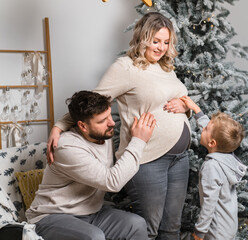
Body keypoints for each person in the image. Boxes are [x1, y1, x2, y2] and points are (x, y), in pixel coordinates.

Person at [46, 12, 191, 239]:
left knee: (172, 228)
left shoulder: (167, 68)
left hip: (179, 157)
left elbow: (178, 99)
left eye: (166, 42)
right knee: (150, 229)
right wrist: (59, 126)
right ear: (143, 38)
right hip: (148, 159)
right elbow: (92, 103)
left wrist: (186, 108)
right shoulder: (126, 67)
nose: (161, 48)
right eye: (155, 41)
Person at [26, 91, 156, 240]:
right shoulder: (66, 147)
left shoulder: (102, 134)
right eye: (102, 121)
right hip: (51, 216)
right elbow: (112, 182)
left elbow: (84, 116)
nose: (112, 123)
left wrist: (58, 126)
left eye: (109, 115)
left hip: (90, 213)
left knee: (136, 224)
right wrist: (139, 140)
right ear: (82, 126)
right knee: (93, 237)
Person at [179, 96, 247, 240]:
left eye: (206, 129)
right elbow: (211, 130)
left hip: (216, 231)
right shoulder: (227, 156)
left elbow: (210, 203)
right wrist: (196, 110)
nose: (203, 128)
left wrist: (200, 231)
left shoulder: (211, 167)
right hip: (228, 226)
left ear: (212, 143)